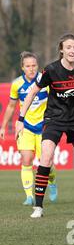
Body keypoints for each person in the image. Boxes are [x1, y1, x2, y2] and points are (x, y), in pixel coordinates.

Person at [15, 34, 74, 218]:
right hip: (54, 120)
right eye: (68, 47)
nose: (72, 50)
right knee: (46, 158)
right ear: (61, 50)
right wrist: (20, 119)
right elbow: (33, 91)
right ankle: (39, 207)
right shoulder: (50, 70)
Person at [0, 52, 58, 206]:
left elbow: (55, 101)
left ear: (37, 66)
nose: (31, 69)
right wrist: (4, 126)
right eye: (28, 66)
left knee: (48, 164)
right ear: (22, 68)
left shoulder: (44, 81)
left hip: (44, 127)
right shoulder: (17, 84)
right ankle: (29, 196)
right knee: (26, 159)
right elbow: (11, 106)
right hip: (25, 127)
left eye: (34, 65)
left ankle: (52, 183)